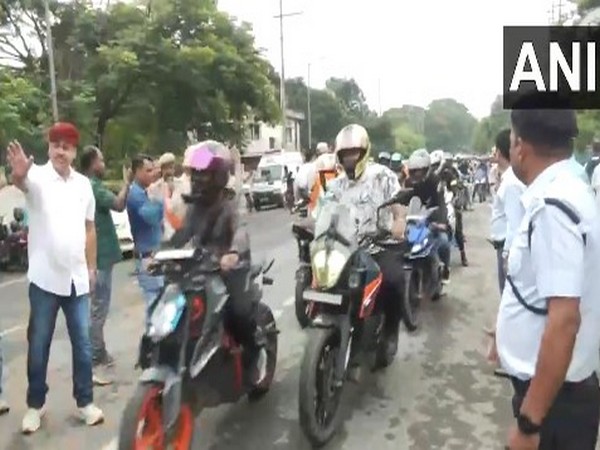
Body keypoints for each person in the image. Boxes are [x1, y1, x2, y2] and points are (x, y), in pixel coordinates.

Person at [495, 106, 600, 450]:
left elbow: (564, 322)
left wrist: (529, 424)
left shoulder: (553, 206)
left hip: (556, 407)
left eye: (511, 141)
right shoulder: (570, 190)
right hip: (562, 392)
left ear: (520, 146)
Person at [6, 123, 104, 434]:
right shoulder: (36, 178)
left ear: (75, 152)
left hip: (76, 278)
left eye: (67, 146)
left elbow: (90, 228)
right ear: (49, 148)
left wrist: (91, 267)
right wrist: (19, 175)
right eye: (56, 145)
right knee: (38, 345)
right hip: (45, 279)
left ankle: (85, 401)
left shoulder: (83, 185)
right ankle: (35, 405)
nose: (61, 151)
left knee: (83, 345)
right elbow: (21, 182)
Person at [169, 140, 266, 384]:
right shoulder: (194, 208)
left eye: (205, 175)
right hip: (202, 269)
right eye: (197, 174)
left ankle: (255, 356)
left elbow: (241, 231)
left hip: (232, 269)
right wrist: (157, 254)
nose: (199, 180)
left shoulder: (230, 205)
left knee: (238, 314)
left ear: (219, 176)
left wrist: (233, 253)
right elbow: (180, 236)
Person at [314, 124, 407, 357]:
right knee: (321, 281)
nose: (350, 158)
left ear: (364, 152)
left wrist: (398, 221)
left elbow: (398, 207)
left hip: (378, 245)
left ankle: (390, 330)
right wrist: (311, 225)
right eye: (345, 154)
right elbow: (322, 212)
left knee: (394, 280)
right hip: (345, 249)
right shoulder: (335, 185)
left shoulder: (382, 176)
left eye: (354, 153)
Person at [80, 145, 131, 386]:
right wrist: (127, 182)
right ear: (92, 163)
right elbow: (119, 204)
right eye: (100, 160)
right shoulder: (93, 187)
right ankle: (94, 356)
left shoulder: (85, 186)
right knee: (98, 309)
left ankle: (98, 352)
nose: (104, 163)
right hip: (99, 259)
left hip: (99, 258)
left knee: (97, 308)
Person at [127, 154, 165, 323]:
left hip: (153, 254)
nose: (152, 174)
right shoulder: (136, 195)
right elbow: (151, 217)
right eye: (147, 171)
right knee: (154, 304)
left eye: (153, 170)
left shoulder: (143, 192)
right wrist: (159, 200)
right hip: (147, 257)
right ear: (136, 172)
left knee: (159, 303)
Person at [404, 149, 452, 283]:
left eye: (420, 170)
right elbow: (405, 200)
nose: (417, 174)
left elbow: (441, 203)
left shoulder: (435, 181)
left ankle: (445, 270)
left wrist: (441, 222)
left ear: (426, 169)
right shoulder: (409, 182)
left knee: (443, 241)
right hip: (415, 218)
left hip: (434, 218)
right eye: (414, 170)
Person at [489, 129, 525, 294]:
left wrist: (507, 254)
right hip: (502, 244)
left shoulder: (511, 183)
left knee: (507, 294)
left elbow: (515, 223)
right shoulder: (506, 178)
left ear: (500, 151)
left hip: (506, 246)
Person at [437, 152, 469, 267]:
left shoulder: (451, 173)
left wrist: (455, 198)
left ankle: (463, 254)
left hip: (449, 203)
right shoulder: (432, 175)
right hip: (437, 205)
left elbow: (455, 187)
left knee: (458, 228)